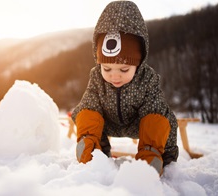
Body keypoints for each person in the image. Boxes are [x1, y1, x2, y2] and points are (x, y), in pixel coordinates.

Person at [71, 0, 178, 175]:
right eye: (107, 68)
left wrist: (159, 149)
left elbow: (154, 108)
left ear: (139, 62)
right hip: (108, 122)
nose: (114, 75)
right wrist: (88, 131)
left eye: (124, 69)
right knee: (85, 111)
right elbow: (90, 103)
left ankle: (153, 155)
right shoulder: (96, 77)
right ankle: (92, 147)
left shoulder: (147, 78)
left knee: (163, 118)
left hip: (138, 123)